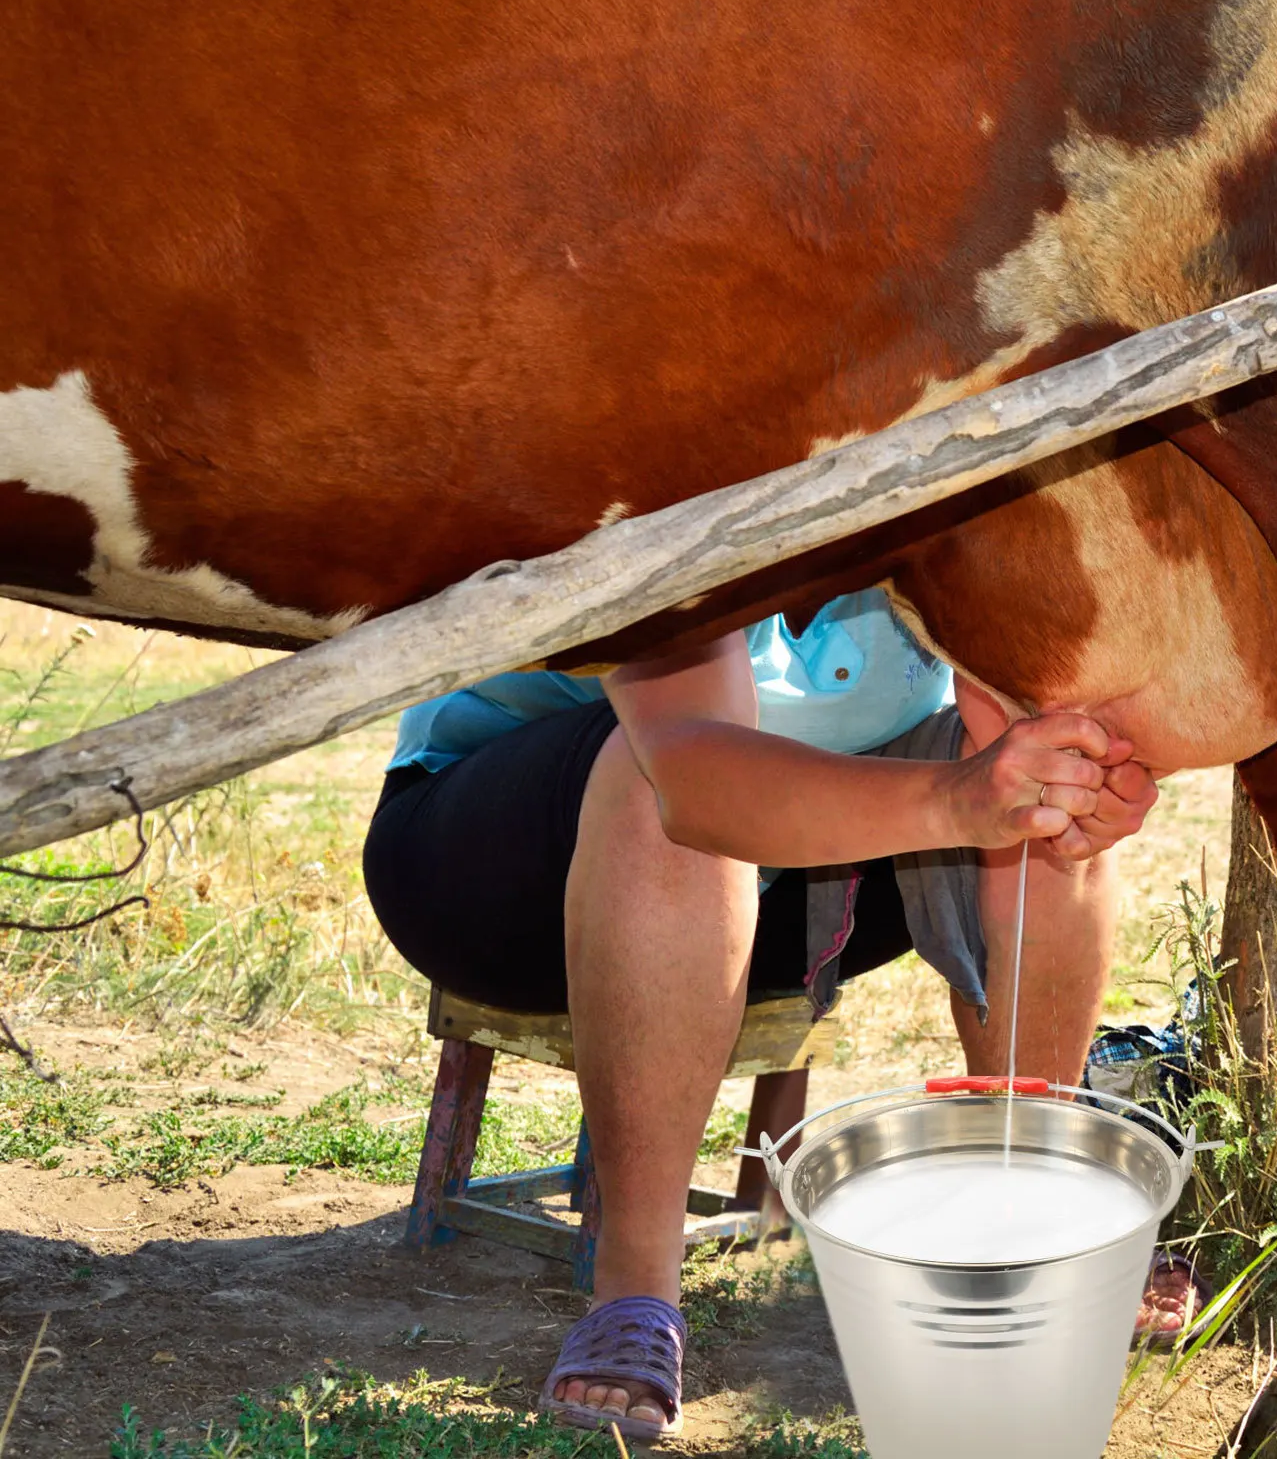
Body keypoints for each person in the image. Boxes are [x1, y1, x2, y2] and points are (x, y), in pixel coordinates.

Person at [363, 589, 1174, 1443]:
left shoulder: (937, 520)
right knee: (659, 778)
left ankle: (1040, 1224)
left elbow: (1029, 714)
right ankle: (634, 1290)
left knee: (1050, 779)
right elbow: (693, 772)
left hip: (790, 873)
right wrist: (956, 799)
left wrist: (1067, 771)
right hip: (495, 869)